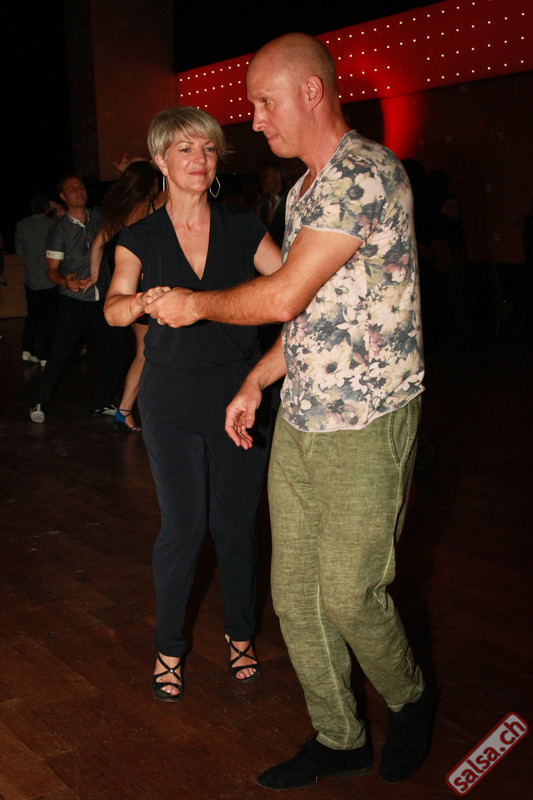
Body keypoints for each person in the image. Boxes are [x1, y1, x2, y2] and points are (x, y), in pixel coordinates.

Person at [142, 33, 432, 788]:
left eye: (263, 102)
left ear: (310, 91)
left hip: (366, 419)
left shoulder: (364, 173)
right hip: (302, 414)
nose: (255, 120)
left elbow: (281, 296)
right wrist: (257, 381)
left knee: (351, 594)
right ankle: (339, 736)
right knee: (296, 595)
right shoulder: (304, 191)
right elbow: (310, 319)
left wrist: (192, 304)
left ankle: (409, 697)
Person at [104, 107, 282, 700]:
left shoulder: (244, 227)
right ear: (160, 160)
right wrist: (138, 304)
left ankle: (240, 634)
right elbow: (114, 306)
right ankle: (169, 646)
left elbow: (292, 290)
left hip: (239, 392)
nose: (199, 160)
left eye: (207, 149)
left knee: (235, 525)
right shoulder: (140, 237)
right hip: (171, 397)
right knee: (183, 527)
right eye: (185, 149)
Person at [29, 175, 130, 423]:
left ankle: (100, 402)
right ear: (63, 196)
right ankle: (38, 401)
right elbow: (51, 270)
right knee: (61, 351)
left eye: (81, 186)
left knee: (120, 345)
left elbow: (125, 206)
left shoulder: (99, 217)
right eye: (72, 189)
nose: (79, 191)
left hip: (102, 298)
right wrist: (65, 281)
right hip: (73, 300)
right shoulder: (59, 230)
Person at [86, 160, 165, 431]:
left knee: (146, 352)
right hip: (149, 292)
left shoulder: (121, 212)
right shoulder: (154, 205)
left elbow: (97, 244)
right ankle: (125, 408)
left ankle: (128, 408)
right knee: (146, 354)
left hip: (128, 296)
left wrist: (94, 277)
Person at [15, 193, 59, 366]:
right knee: (49, 318)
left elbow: (19, 253)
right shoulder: (53, 224)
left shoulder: (21, 225)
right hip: (50, 279)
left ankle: (27, 349)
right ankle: (45, 355)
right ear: (47, 209)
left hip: (31, 279)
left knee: (32, 315)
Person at [257, 160, 288, 248]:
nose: (262, 181)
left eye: (265, 177)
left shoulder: (291, 200)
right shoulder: (262, 205)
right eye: (260, 178)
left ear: (278, 176)